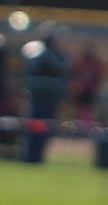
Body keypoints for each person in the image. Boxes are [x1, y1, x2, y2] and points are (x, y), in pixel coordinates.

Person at [19, 21, 68, 164]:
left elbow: (61, 70)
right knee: (32, 128)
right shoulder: (37, 52)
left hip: (49, 99)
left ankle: (37, 157)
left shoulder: (58, 56)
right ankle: (28, 156)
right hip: (36, 98)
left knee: (44, 129)